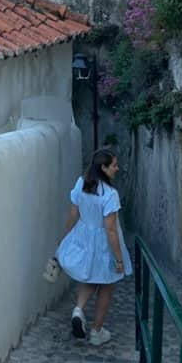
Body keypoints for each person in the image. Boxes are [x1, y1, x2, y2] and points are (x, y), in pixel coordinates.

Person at [55, 148, 132, 346]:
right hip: (103, 243)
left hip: (83, 235)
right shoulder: (110, 194)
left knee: (89, 276)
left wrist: (66, 237)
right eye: (114, 165)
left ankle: (78, 310)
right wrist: (119, 259)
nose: (117, 168)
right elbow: (110, 230)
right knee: (106, 285)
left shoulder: (82, 183)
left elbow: (73, 214)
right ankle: (97, 332)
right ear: (104, 168)